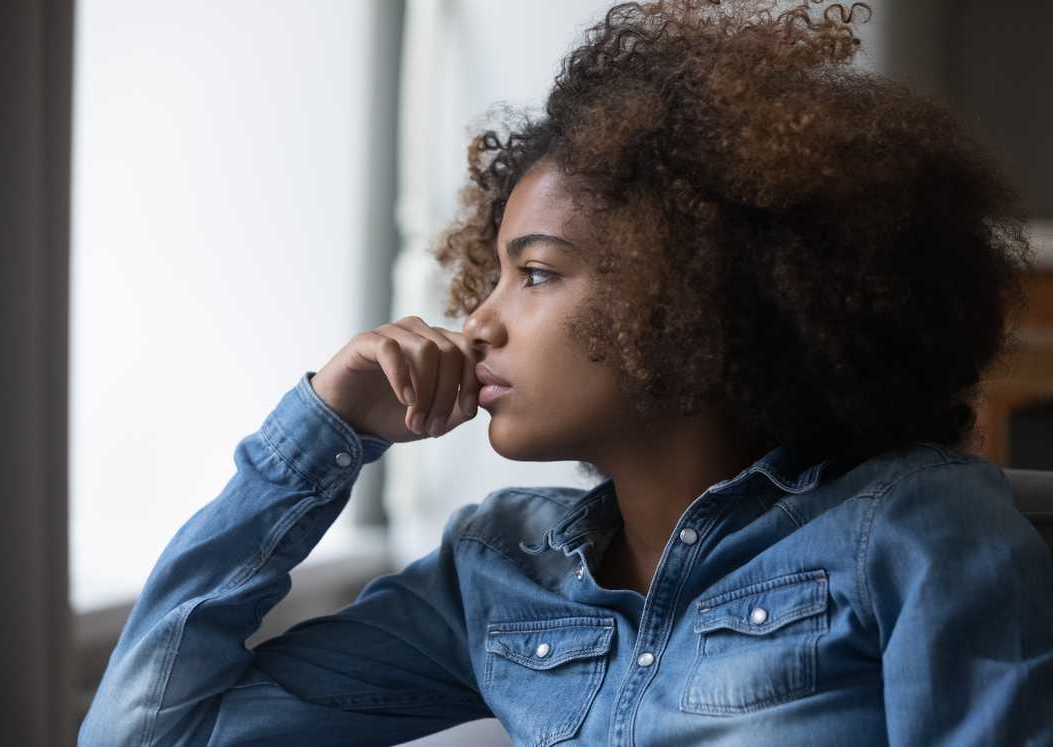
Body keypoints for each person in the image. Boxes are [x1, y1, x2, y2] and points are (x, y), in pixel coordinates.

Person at [79, 1, 1053, 745]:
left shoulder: (913, 527)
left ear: (698, 297)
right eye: (492, 271)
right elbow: (148, 731)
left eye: (536, 273)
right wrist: (322, 433)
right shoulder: (497, 575)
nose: (479, 321)